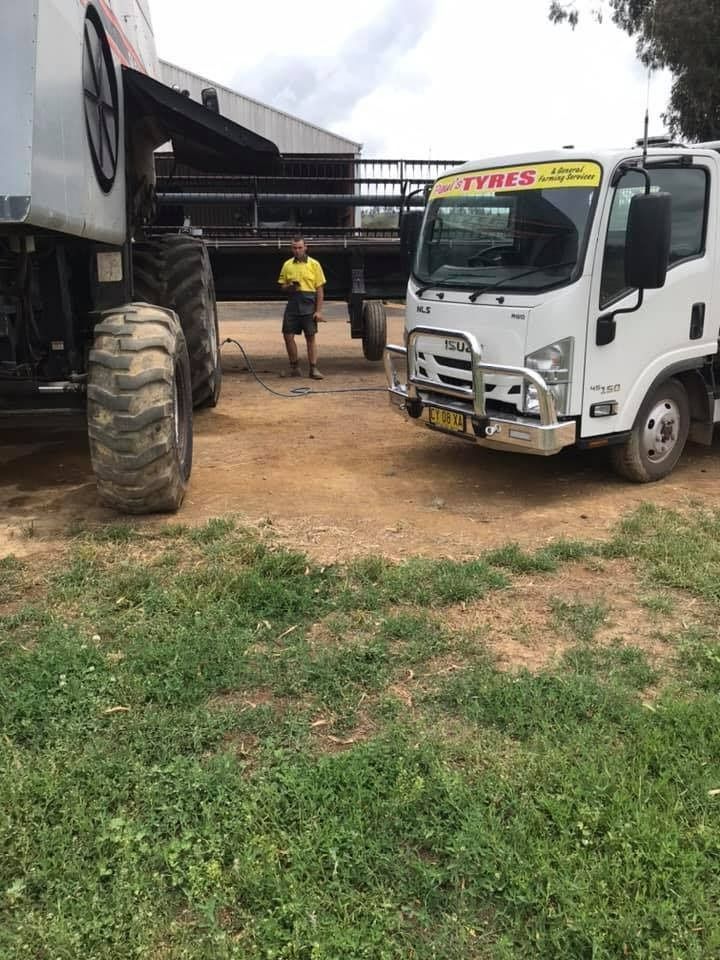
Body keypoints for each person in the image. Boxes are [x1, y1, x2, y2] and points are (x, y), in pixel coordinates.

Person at [278, 236, 326, 380]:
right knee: (287, 335)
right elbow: (282, 286)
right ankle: (294, 367)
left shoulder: (314, 264)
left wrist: (318, 311)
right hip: (293, 303)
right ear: (291, 248)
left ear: (306, 247)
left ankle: (313, 368)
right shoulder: (287, 265)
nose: (297, 250)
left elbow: (319, 290)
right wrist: (290, 286)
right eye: (294, 248)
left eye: (300, 247)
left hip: (309, 303)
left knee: (310, 337)